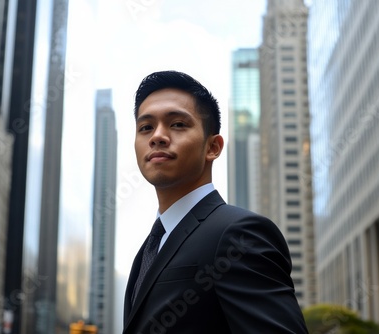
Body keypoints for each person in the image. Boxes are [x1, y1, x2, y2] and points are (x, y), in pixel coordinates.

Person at [123, 70, 308, 334]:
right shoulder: (147, 251)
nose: (157, 136)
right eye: (146, 127)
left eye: (177, 124)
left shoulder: (240, 233)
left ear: (213, 147)